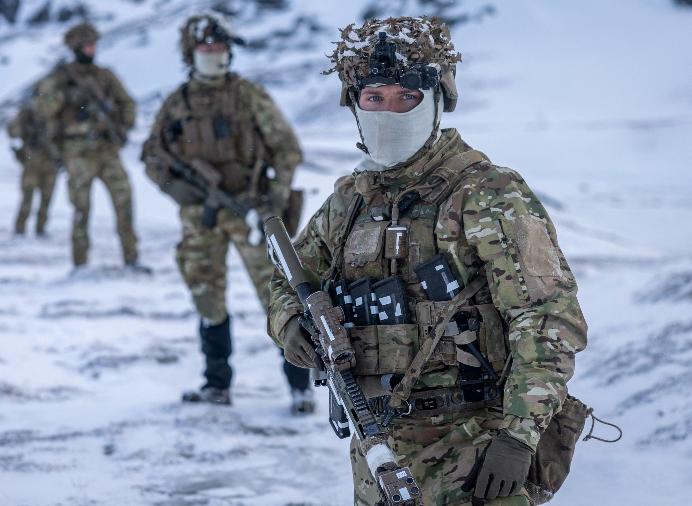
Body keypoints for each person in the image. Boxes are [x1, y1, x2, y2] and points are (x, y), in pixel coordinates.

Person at [267, 16, 588, 505]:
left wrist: (518, 436)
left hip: (475, 447)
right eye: (374, 98)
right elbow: (288, 279)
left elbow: (547, 318)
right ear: (354, 103)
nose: (389, 112)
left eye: (406, 97)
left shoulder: (486, 194)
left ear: (438, 99)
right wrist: (289, 324)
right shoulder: (349, 202)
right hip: (376, 448)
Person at [142, 13, 314, 413]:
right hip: (200, 217)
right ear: (191, 53)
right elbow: (152, 155)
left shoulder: (247, 95)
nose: (213, 54)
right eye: (206, 48)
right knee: (206, 297)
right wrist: (178, 190)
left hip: (250, 210)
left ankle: (299, 387)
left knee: (278, 296)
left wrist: (274, 197)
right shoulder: (177, 103)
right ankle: (216, 383)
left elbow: (287, 149)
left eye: (220, 47)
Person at [34, 22, 140, 269]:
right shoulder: (61, 78)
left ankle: (131, 258)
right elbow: (43, 109)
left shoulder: (105, 77)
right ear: (76, 48)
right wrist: (66, 97)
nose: (92, 49)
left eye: (94, 44)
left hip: (106, 147)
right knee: (81, 208)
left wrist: (123, 126)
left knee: (124, 201)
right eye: (87, 45)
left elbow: (128, 104)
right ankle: (80, 263)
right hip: (77, 150)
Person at [7, 98, 59, 237]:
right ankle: (20, 229)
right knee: (27, 198)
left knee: (46, 199)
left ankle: (40, 229)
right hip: (31, 164)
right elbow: (12, 132)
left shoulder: (56, 115)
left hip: (50, 164)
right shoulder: (27, 115)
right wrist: (22, 121)